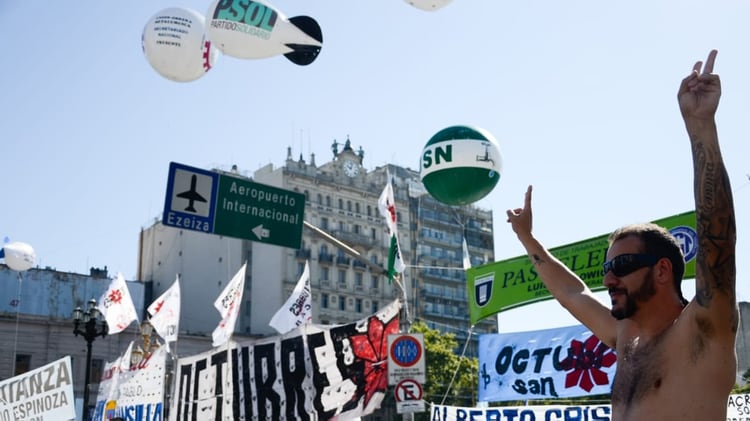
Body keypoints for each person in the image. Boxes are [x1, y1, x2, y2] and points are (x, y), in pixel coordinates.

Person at [506, 49, 737, 420]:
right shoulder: (626, 338)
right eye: (608, 267)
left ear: (663, 271)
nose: (609, 278)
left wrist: (701, 128)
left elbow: (717, 239)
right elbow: (571, 292)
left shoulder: (704, 329)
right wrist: (527, 239)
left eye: (623, 264)